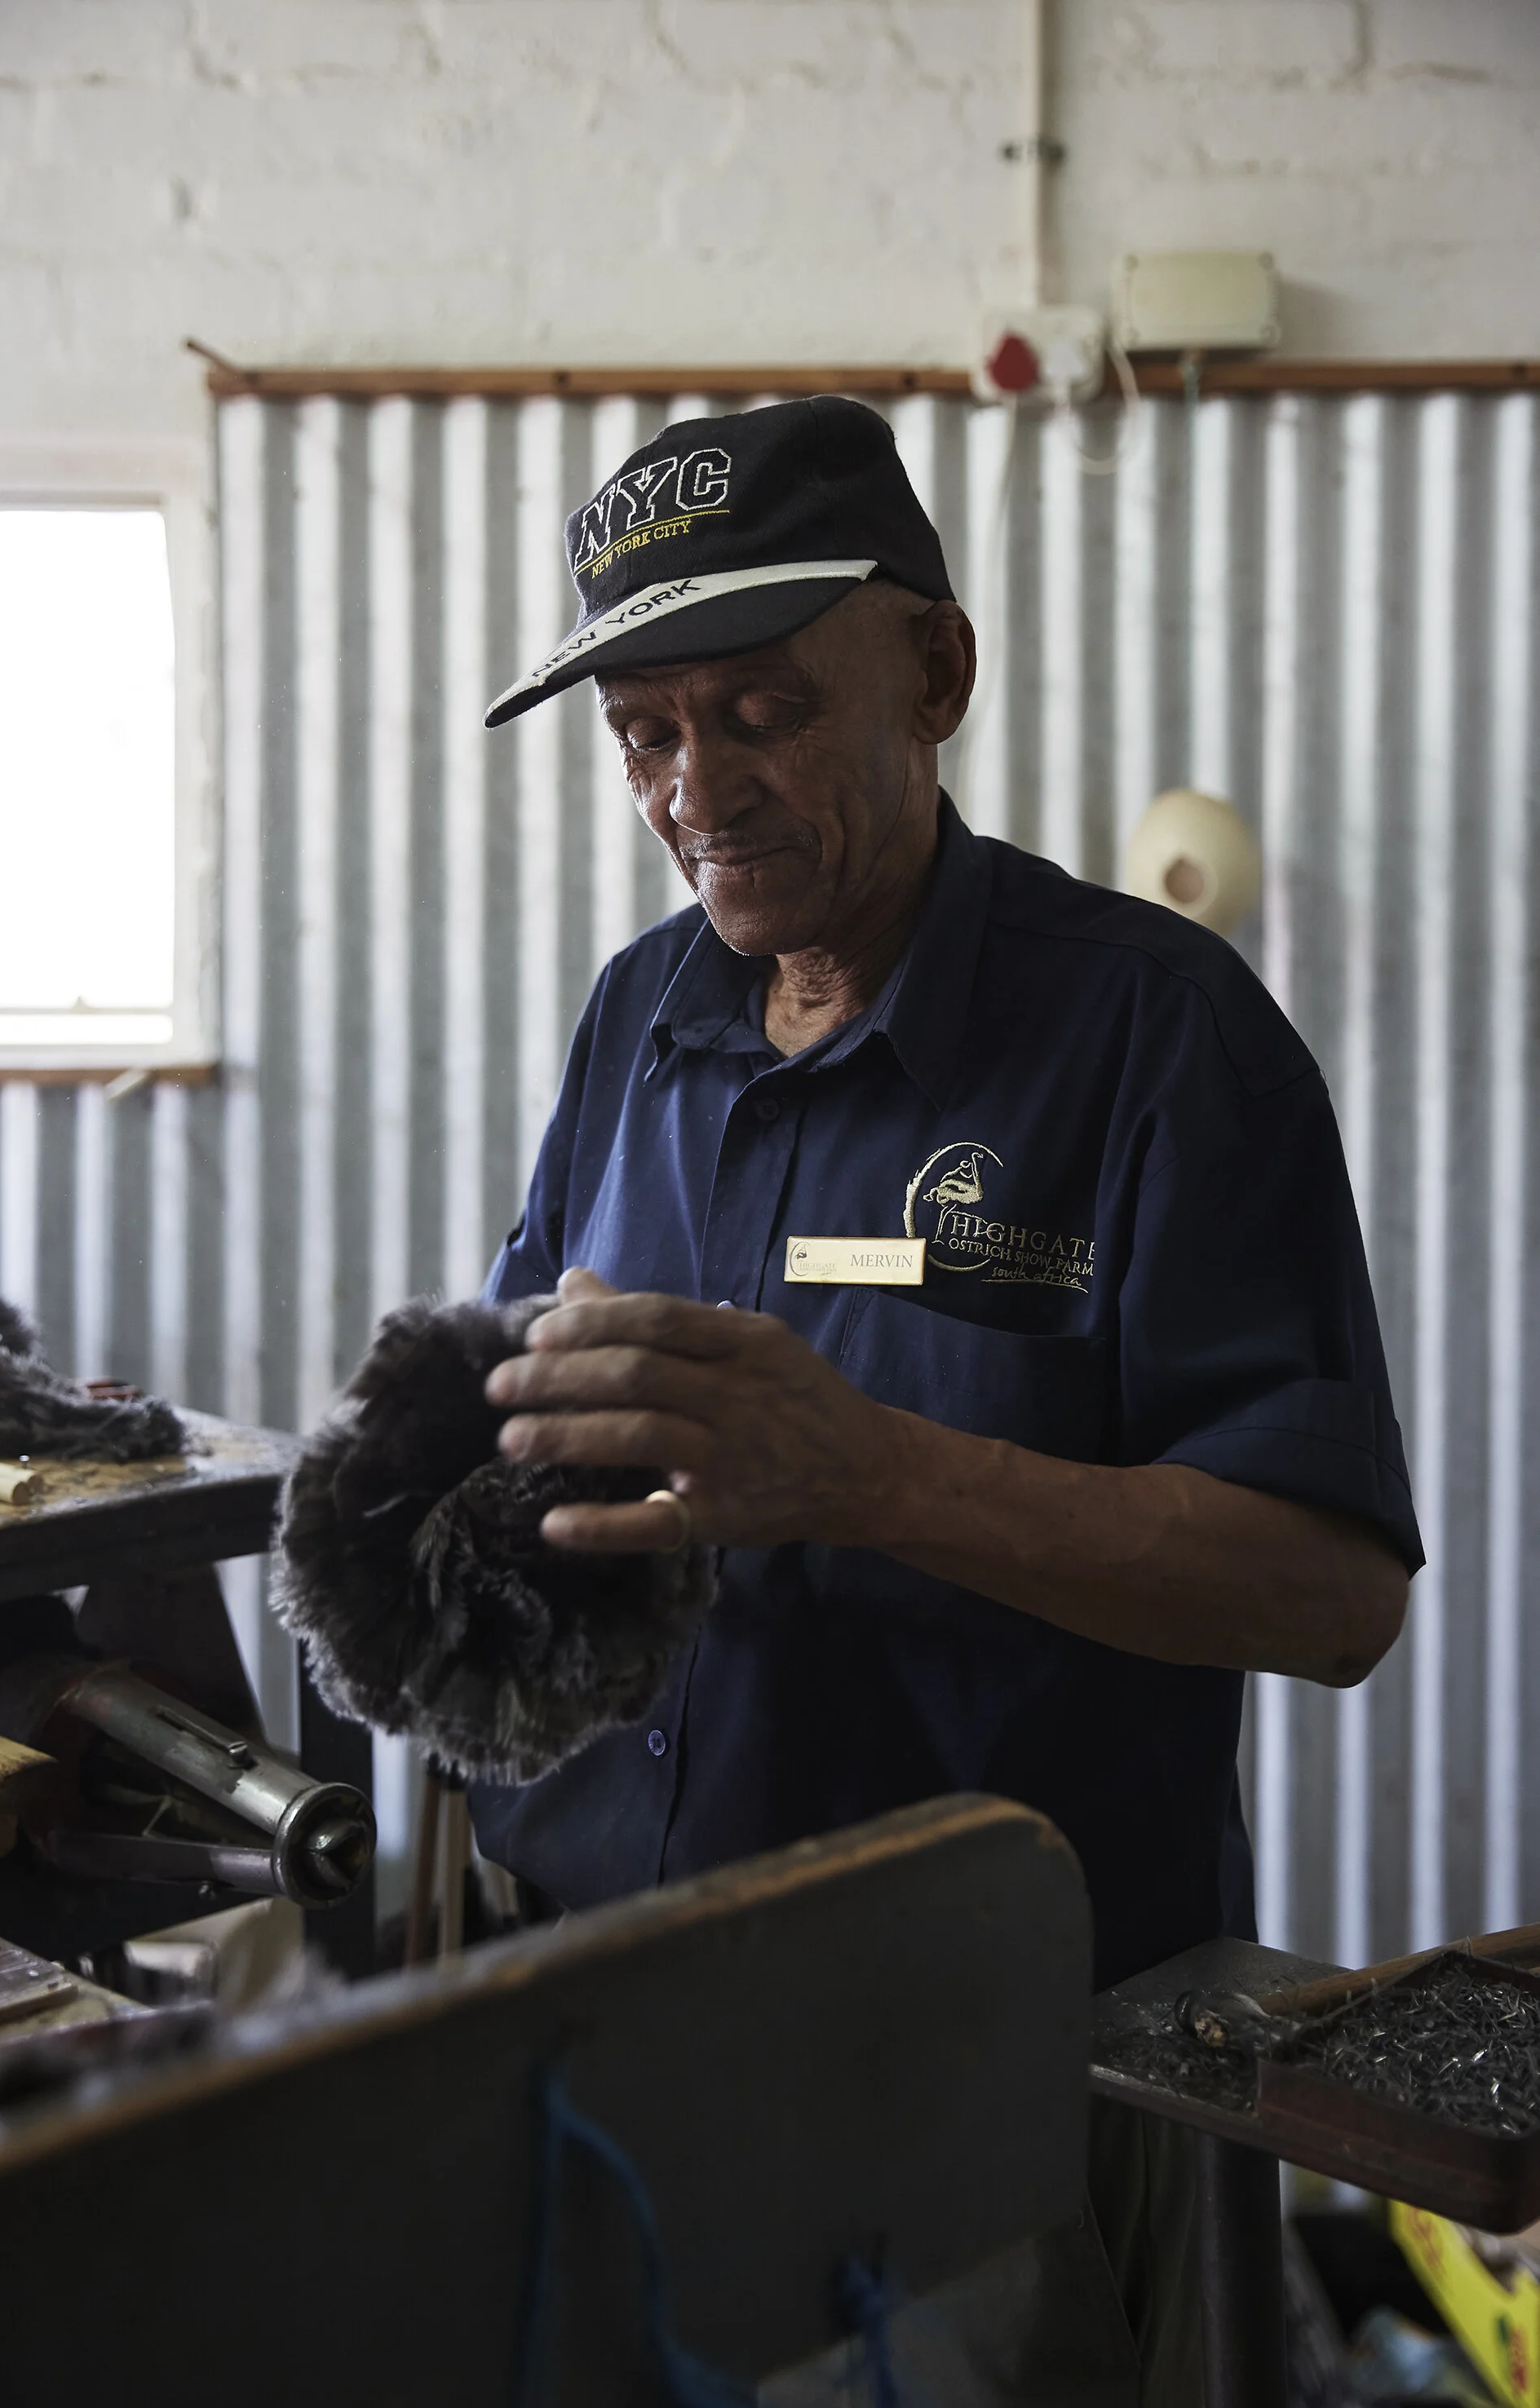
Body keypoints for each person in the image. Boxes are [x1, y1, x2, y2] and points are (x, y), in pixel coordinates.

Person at [471, 396, 1420, 2402]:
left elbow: (1330, 1594)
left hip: (983, 2089)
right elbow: (532, 1408)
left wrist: (871, 1473)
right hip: (600, 2039)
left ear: (937, 669)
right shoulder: (640, 1016)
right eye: (645, 730)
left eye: (761, 709)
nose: (694, 786)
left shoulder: (1162, 1040)